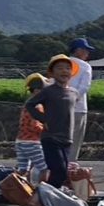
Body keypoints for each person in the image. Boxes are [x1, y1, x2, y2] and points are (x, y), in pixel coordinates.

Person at [27, 55, 79, 190]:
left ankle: (47, 196)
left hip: (67, 138)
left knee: (62, 173)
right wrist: (43, 118)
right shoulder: (48, 91)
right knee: (59, 171)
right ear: (52, 73)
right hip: (50, 137)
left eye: (67, 68)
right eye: (59, 68)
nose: (64, 71)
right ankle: (43, 196)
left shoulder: (74, 92)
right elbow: (29, 105)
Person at [15, 74, 48, 184]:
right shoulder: (37, 106)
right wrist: (46, 130)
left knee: (23, 169)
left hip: (20, 140)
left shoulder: (27, 104)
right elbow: (34, 125)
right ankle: (43, 190)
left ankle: (13, 187)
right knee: (45, 168)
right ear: (37, 91)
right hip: (31, 142)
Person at [67, 37, 95, 162]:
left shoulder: (61, 63)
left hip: (61, 107)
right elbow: (84, 86)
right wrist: (74, 98)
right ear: (78, 50)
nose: (87, 53)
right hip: (79, 108)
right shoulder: (85, 66)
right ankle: (71, 165)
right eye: (85, 50)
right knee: (75, 140)